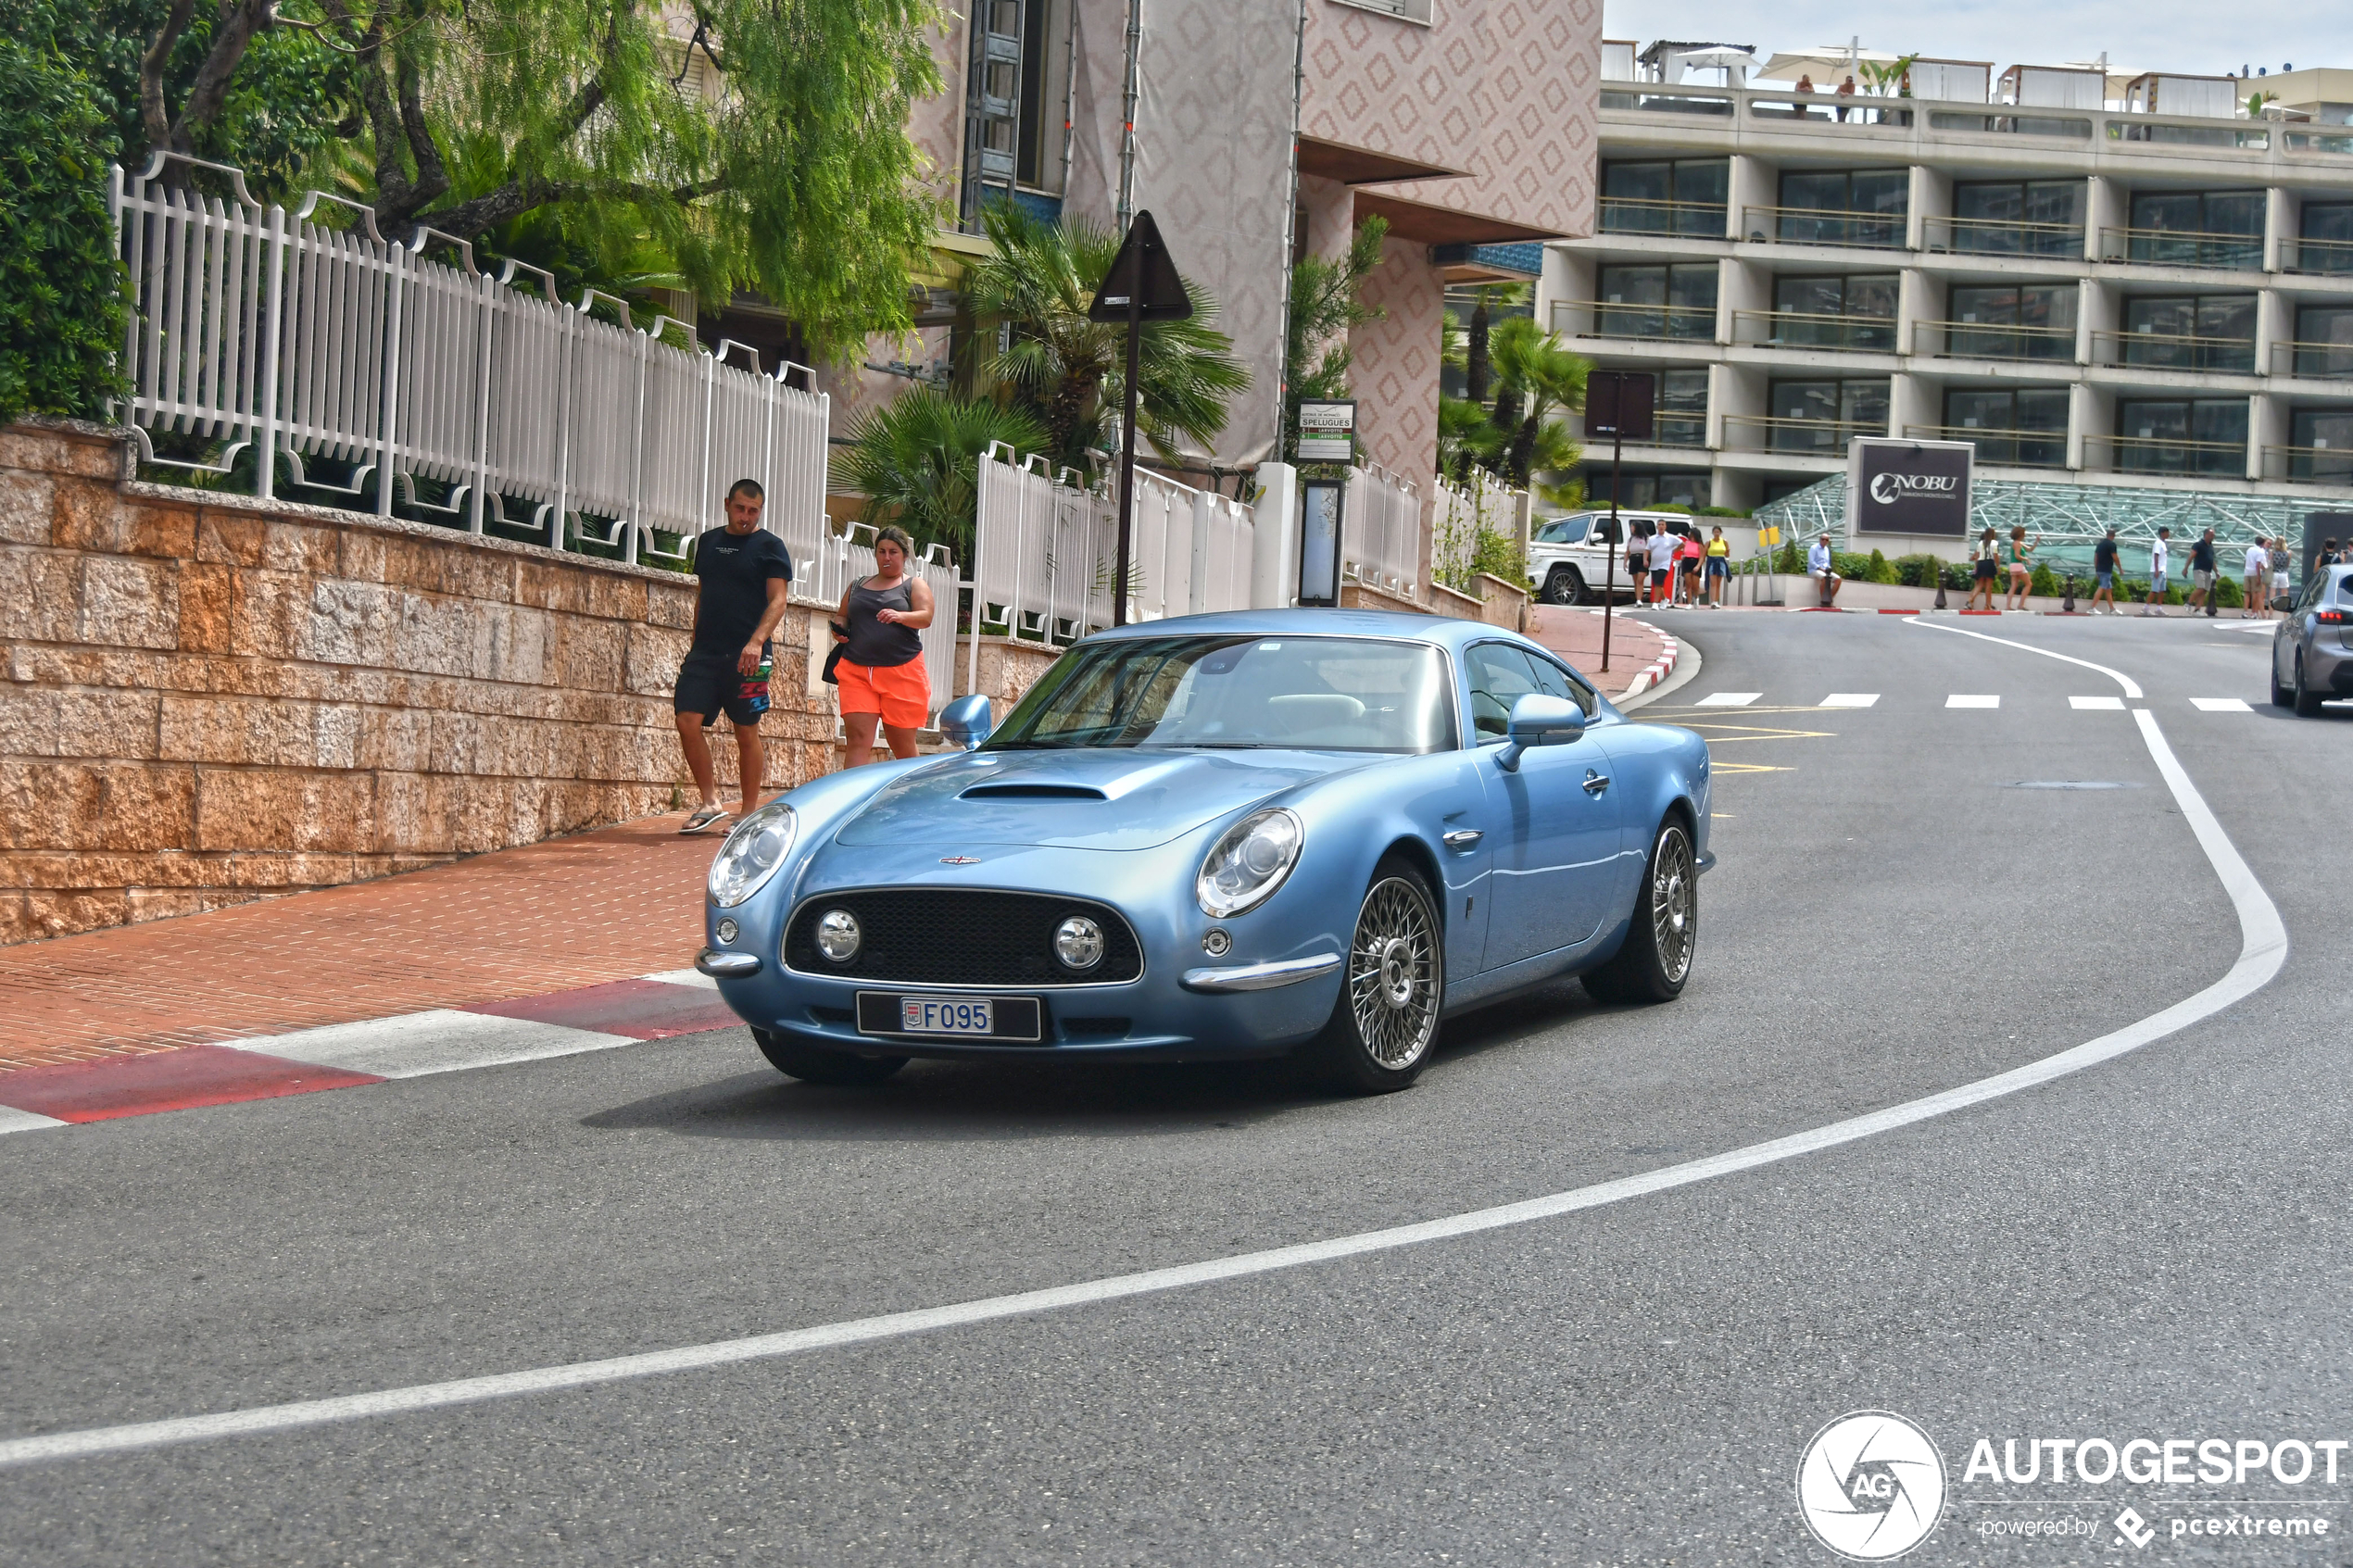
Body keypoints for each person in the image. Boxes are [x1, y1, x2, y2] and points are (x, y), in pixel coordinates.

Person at [674, 479, 793, 834]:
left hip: (751, 656)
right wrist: (695, 639)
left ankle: (748, 811)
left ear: (760, 511)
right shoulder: (709, 542)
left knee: (746, 731)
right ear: (728, 504)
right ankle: (711, 802)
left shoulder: (771, 547)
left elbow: (779, 600)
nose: (745, 516)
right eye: (740, 508)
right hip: (706, 652)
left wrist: (756, 641)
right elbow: (703, 593)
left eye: (753, 511)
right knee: (686, 721)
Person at [834, 524, 936, 765]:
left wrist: (900, 616)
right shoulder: (858, 585)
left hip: (901, 671)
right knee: (858, 739)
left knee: (901, 744)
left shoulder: (913, 585)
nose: (887, 557)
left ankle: (912, 798)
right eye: (881, 551)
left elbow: (926, 616)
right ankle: (853, 801)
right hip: (857, 670)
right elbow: (842, 615)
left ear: (904, 555)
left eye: (893, 552)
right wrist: (838, 629)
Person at [2004, 526, 2040, 611]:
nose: (2024, 535)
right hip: (2019, 566)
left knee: (2013, 586)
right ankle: (2021, 604)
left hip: (2013, 566)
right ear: (2020, 534)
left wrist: (2036, 541)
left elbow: (2030, 549)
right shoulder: (2018, 543)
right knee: (2028, 584)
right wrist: (2026, 559)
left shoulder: (2017, 543)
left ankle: (2008, 606)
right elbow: (2017, 555)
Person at [1968, 526, 2001, 610]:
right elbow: (1995, 555)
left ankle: (1970, 599)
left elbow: (1977, 556)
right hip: (1989, 563)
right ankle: (1987, 605)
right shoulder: (1994, 543)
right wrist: (1998, 566)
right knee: (1988, 587)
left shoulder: (1980, 543)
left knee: (1980, 584)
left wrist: (1976, 567)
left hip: (1980, 563)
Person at [1646, 525, 1680, 608]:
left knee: (1658, 583)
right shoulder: (1652, 539)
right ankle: (1664, 599)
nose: (1661, 526)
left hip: (1665, 564)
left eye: (1663, 525)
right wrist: (1645, 560)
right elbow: (1647, 550)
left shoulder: (1670, 537)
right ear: (1657, 527)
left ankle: (1655, 603)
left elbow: (1682, 544)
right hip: (1654, 564)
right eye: (1659, 525)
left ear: (1665, 527)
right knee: (1657, 584)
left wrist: (1674, 551)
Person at [2188, 529, 2219, 616]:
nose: (2213, 537)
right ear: (2206, 535)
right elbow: (2191, 556)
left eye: (2213, 535)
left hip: (2208, 571)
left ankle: (2197, 610)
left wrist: (2216, 571)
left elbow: (2212, 560)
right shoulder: (2198, 545)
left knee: (2204, 590)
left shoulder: (2211, 547)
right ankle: (2188, 603)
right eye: (2211, 535)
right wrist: (2186, 568)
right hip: (2199, 569)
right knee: (2200, 588)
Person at [2090, 527, 2120, 614]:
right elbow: (2115, 558)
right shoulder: (2111, 545)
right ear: (2113, 536)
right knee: (2102, 587)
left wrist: (2096, 569)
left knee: (2108, 590)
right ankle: (2092, 607)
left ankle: (2112, 609)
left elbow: (2096, 557)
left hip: (2100, 569)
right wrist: (2120, 569)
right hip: (2107, 570)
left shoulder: (2100, 545)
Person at [2142, 527, 2170, 617]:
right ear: (2162, 533)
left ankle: (2159, 609)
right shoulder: (2158, 543)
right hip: (2158, 570)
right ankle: (2145, 608)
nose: (2168, 534)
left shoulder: (2163, 544)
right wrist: (2156, 570)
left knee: (2162, 590)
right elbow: (2156, 556)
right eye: (2167, 533)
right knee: (2154, 590)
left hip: (2163, 570)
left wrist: (2165, 571)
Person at [1807, 533, 1842, 607]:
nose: (1824, 541)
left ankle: (1828, 600)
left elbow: (1827, 562)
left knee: (1838, 579)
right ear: (1820, 540)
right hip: (1814, 570)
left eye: (1826, 540)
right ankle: (1823, 600)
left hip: (1825, 570)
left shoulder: (1826, 550)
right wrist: (1821, 569)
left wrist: (1828, 569)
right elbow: (1811, 562)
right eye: (1823, 539)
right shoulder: (1813, 548)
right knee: (1825, 578)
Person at [2242, 537, 2270, 618]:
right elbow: (2258, 565)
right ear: (2262, 543)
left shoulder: (2249, 549)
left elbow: (2246, 561)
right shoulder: (2261, 551)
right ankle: (2254, 613)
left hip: (2247, 572)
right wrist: (2258, 576)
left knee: (2247, 593)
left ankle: (2245, 612)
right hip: (2255, 573)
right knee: (2255, 593)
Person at [1705, 524, 1730, 607]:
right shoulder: (1709, 542)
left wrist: (1727, 551)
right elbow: (1704, 553)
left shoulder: (1724, 541)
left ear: (1721, 532)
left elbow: (1727, 555)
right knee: (1713, 582)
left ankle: (1716, 601)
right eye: (1715, 532)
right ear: (1712, 533)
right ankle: (1712, 601)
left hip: (1721, 561)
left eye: (1718, 532)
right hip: (1712, 561)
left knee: (1718, 583)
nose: (1716, 533)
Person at [1678, 528, 1705, 606]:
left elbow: (1702, 557)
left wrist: (1698, 566)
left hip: (1695, 562)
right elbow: (1679, 550)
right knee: (1688, 583)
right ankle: (1689, 603)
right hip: (1687, 562)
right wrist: (1681, 556)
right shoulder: (1686, 543)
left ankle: (1696, 597)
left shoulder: (1700, 545)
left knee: (1695, 585)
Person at [2271, 537, 2292, 619]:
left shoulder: (2272, 552)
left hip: (2274, 573)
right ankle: (2285, 615)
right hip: (2284, 573)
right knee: (2284, 595)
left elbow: (2270, 563)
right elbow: (2288, 564)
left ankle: (2271, 614)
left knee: (2272, 594)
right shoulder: (2288, 553)